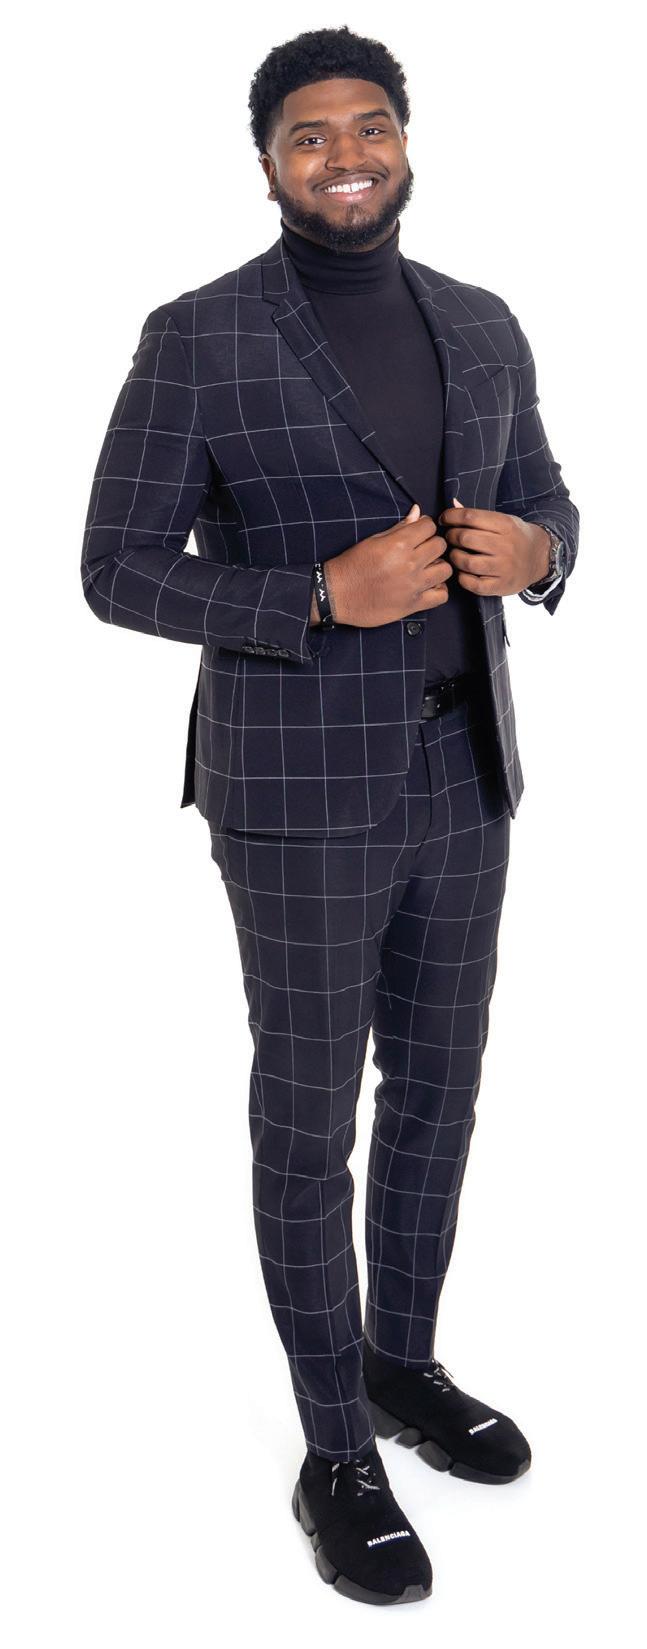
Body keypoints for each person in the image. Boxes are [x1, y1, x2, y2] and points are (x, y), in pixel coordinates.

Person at [81, 25, 579, 1608]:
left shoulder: (482, 321)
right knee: (308, 1126)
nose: (346, 153)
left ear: (408, 143)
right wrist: (313, 592)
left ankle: (399, 1361)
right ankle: (333, 1449)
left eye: (371, 126)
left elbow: (548, 495)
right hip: (298, 790)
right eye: (311, 134)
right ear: (271, 164)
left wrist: (542, 554)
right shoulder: (200, 336)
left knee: (440, 1089)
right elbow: (114, 567)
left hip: (465, 771)